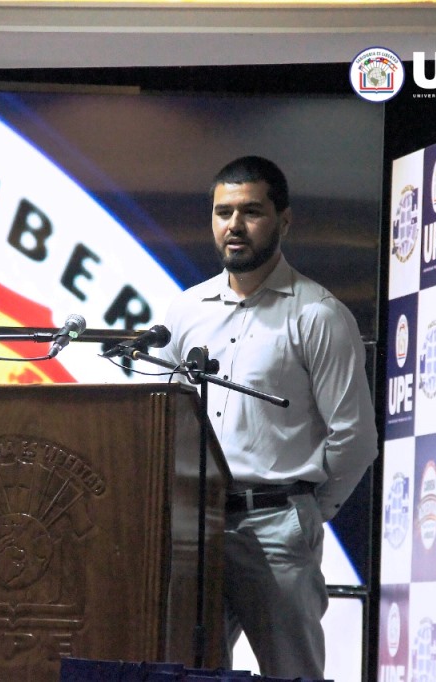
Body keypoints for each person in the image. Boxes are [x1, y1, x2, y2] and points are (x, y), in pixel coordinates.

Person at [158, 155, 378, 679]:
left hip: (277, 526)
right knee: (189, 671)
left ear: (284, 220)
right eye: (222, 212)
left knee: (291, 672)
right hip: (196, 526)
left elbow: (355, 438)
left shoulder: (317, 314)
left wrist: (306, 510)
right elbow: (162, 419)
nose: (233, 225)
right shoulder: (186, 312)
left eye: (250, 211)